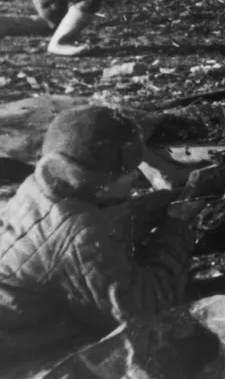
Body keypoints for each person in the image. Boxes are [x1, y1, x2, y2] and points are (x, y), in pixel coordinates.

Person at [0, 107, 198, 363]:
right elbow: (148, 306)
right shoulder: (82, 235)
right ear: (94, 181)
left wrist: (155, 208)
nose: (135, 176)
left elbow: (92, 223)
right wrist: (178, 225)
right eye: (127, 171)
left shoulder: (40, 187)